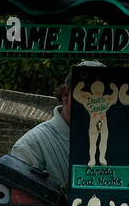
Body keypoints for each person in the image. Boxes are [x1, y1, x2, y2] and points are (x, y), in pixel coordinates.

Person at [9, 60, 106, 191]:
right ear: (66, 95)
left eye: (103, 98)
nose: (97, 105)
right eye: (88, 96)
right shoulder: (32, 146)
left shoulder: (117, 141)